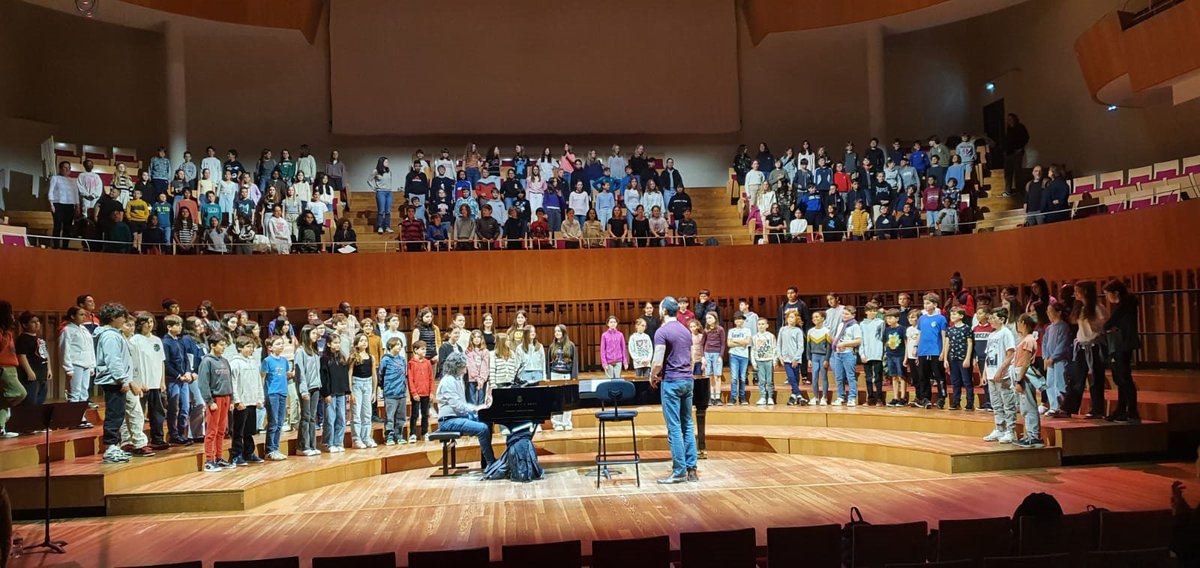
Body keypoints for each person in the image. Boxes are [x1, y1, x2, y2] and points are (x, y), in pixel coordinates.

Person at [651, 297, 699, 484]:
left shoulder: (662, 332)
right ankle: (692, 470)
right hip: (688, 380)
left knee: (674, 427)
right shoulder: (686, 330)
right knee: (687, 425)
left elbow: (657, 361)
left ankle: (679, 471)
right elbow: (692, 357)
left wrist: (653, 375)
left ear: (663, 311)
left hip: (671, 381)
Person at [435, 352, 495, 468]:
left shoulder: (457, 379)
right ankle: (490, 462)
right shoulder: (447, 382)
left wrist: (477, 409)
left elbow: (462, 405)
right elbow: (457, 405)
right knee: (482, 428)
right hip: (448, 421)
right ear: (456, 367)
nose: (466, 369)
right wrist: (476, 408)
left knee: (486, 420)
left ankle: (486, 461)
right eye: (463, 366)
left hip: (459, 416)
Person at [1063, 281, 1109, 419]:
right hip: (1082, 346)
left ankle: (1097, 410)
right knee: (1077, 378)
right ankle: (1069, 408)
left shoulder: (1096, 307)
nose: (1075, 293)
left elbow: (1104, 323)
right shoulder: (1080, 308)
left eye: (1078, 290)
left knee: (1095, 379)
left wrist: (1096, 331)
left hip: (1094, 346)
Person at [128, 313, 167, 452]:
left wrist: (162, 381)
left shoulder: (157, 340)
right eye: (146, 322)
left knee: (157, 412)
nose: (149, 325)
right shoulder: (135, 340)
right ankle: (137, 440)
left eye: (151, 322)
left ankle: (158, 438)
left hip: (156, 382)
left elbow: (161, 361)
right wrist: (140, 382)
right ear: (140, 324)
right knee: (139, 412)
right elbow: (135, 363)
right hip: (142, 384)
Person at [1103, 280, 1140, 422]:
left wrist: (1108, 327)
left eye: (1108, 294)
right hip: (1122, 343)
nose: (1107, 298)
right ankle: (1122, 409)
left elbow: (1109, 323)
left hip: (1123, 344)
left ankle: (1131, 411)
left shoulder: (1125, 305)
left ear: (1116, 293)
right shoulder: (1124, 305)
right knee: (1120, 378)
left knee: (1124, 378)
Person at [227, 335, 265, 466]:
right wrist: (237, 401)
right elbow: (233, 383)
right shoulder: (235, 363)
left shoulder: (253, 362)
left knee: (249, 430)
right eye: (248, 346)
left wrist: (260, 398)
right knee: (239, 431)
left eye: (252, 346)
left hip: (252, 401)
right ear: (239, 348)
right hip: (241, 403)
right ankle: (236, 455)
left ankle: (248, 453)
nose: (251, 349)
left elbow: (258, 381)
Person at [982, 308, 1018, 444]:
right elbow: (988, 355)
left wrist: (1001, 370)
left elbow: (1011, 354)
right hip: (991, 374)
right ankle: (999, 428)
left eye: (993, 318)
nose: (990, 320)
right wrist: (985, 373)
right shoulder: (992, 335)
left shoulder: (1006, 333)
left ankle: (1011, 431)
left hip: (1003, 375)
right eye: (990, 318)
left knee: (1008, 403)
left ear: (1002, 319)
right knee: (996, 404)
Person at [1010, 314, 1046, 448]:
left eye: (1018, 322)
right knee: (1025, 407)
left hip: (1023, 375)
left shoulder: (1029, 340)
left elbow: (1025, 363)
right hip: (1020, 374)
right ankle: (1030, 434)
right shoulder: (1024, 339)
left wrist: (1019, 381)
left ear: (1023, 323)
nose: (1017, 324)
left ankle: (1034, 436)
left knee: (1029, 406)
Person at [916, 293, 949, 409]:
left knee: (939, 376)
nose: (925, 305)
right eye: (924, 303)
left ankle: (941, 398)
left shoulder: (941, 318)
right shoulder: (922, 318)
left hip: (936, 351)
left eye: (928, 303)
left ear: (935, 304)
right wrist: (916, 347)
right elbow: (920, 333)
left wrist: (943, 351)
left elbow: (944, 335)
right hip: (923, 351)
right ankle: (925, 398)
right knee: (923, 376)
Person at [347, 333, 376, 449]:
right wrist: (350, 391)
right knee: (356, 414)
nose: (364, 342)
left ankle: (366, 437)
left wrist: (374, 391)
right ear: (356, 343)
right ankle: (356, 439)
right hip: (357, 384)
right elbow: (349, 374)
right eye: (361, 340)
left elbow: (374, 375)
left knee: (367, 413)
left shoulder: (371, 357)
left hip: (368, 384)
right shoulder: (354, 357)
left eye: (365, 340)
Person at [15, 313, 49, 409]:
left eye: (38, 321)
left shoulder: (40, 338)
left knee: (41, 398)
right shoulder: (23, 339)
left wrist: (49, 369)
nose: (37, 324)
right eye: (33, 322)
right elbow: (21, 356)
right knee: (31, 400)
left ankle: (36, 419)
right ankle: (28, 420)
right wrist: (29, 371)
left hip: (42, 373)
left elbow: (45, 354)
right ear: (25, 325)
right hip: (31, 375)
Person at [548, 325, 579, 430]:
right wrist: (548, 377)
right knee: (556, 400)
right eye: (555, 331)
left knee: (567, 400)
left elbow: (574, 362)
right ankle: (557, 423)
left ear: (563, 333)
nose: (557, 333)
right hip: (554, 374)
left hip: (567, 375)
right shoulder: (552, 346)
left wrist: (574, 377)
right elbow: (549, 364)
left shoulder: (571, 345)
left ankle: (566, 422)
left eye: (559, 331)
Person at [378, 337, 409, 445]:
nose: (399, 346)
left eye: (400, 344)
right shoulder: (385, 359)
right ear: (390, 346)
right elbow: (381, 374)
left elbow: (405, 375)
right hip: (390, 393)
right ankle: (389, 436)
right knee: (390, 416)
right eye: (397, 345)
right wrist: (384, 387)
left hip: (401, 392)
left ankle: (399, 435)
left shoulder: (402, 360)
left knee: (401, 416)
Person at [829, 306, 861, 407]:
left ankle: (852, 397)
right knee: (838, 377)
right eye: (843, 314)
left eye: (847, 314)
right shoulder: (841, 324)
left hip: (848, 353)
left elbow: (858, 341)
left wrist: (845, 344)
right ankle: (840, 396)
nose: (844, 316)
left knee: (850, 376)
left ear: (853, 315)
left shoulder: (854, 326)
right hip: (838, 353)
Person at [945, 307, 975, 410]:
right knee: (955, 381)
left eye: (955, 314)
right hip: (953, 357)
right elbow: (947, 344)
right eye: (951, 314)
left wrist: (967, 358)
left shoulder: (966, 328)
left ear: (961, 316)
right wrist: (945, 359)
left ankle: (970, 402)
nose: (952, 316)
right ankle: (956, 402)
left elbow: (970, 343)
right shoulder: (950, 329)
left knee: (967, 381)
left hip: (963, 357)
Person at [777, 310, 806, 406]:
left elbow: (800, 346)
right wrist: (780, 356)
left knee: (796, 377)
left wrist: (796, 358)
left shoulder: (798, 331)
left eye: (792, 317)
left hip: (795, 359)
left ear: (796, 319)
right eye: (789, 317)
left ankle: (793, 396)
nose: (790, 319)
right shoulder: (782, 330)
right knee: (791, 377)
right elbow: (779, 344)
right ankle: (799, 395)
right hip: (786, 358)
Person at [407, 340, 434, 442]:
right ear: (415, 350)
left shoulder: (427, 363)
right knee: (414, 414)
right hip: (416, 394)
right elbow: (410, 379)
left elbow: (431, 378)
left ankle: (425, 432)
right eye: (422, 349)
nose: (425, 351)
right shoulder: (411, 363)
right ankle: (412, 433)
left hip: (426, 393)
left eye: (425, 349)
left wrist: (431, 392)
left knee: (425, 414)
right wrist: (414, 393)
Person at [859, 303, 885, 406]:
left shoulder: (881, 322)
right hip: (866, 354)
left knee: (878, 377)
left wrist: (882, 353)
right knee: (868, 377)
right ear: (866, 312)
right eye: (871, 311)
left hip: (877, 353)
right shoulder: (862, 324)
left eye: (875, 311)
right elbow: (861, 340)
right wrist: (862, 354)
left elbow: (882, 338)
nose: (873, 313)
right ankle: (870, 398)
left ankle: (879, 398)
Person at [600, 316, 627, 380]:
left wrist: (625, 362)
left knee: (617, 380)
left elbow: (623, 349)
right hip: (608, 361)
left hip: (618, 361)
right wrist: (604, 363)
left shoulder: (620, 334)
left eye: (614, 322)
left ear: (617, 323)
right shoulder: (604, 335)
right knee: (609, 380)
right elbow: (602, 350)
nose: (613, 323)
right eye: (611, 322)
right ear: (608, 324)